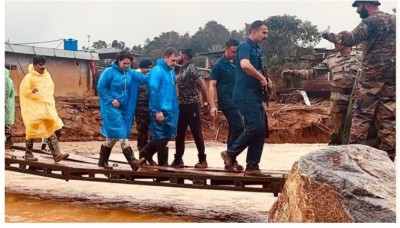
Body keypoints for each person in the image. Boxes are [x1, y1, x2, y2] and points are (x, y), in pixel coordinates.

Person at [321, 0, 396, 161]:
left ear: (366, 4)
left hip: (371, 77)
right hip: (392, 77)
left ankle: (356, 160)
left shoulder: (371, 21)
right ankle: (388, 161)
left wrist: (326, 34)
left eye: (358, 6)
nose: (357, 10)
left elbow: (347, 39)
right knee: (388, 120)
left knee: (361, 116)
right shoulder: (395, 20)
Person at [281, 41, 362, 145]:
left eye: (338, 42)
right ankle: (334, 154)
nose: (335, 44)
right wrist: (294, 72)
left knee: (357, 128)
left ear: (347, 41)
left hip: (356, 97)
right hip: (338, 98)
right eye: (334, 42)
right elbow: (312, 73)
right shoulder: (330, 59)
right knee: (336, 130)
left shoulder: (361, 57)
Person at [220, 20, 269, 176]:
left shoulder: (257, 49)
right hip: (244, 94)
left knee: (260, 130)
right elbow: (245, 65)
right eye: (264, 32)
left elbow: (258, 68)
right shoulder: (244, 46)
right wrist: (261, 77)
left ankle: (253, 166)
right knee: (255, 126)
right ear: (253, 32)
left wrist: (266, 79)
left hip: (255, 95)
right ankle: (231, 153)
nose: (266, 36)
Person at [96, 50, 147, 171]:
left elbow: (143, 78)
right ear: (118, 61)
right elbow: (100, 87)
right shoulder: (109, 72)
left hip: (124, 108)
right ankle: (133, 162)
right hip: (110, 107)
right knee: (121, 132)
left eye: (129, 64)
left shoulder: (129, 72)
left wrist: (154, 73)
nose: (127, 66)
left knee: (113, 137)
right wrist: (111, 99)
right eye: (124, 63)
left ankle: (102, 161)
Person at [19, 56, 69, 162]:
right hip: (33, 108)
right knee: (31, 129)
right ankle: (28, 154)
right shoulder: (29, 78)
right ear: (34, 65)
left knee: (50, 128)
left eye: (44, 64)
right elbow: (24, 93)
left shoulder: (47, 76)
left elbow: (49, 90)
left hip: (46, 108)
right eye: (40, 65)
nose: (43, 67)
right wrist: (31, 92)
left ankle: (57, 154)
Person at [170, 48, 210, 168]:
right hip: (182, 105)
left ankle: (202, 159)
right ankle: (178, 159)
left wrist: (206, 103)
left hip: (192, 105)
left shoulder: (192, 69)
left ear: (184, 55)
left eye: (180, 54)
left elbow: (202, 85)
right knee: (180, 133)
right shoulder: (181, 69)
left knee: (196, 132)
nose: (178, 57)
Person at [139, 47, 179, 167]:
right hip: (160, 109)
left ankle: (146, 152)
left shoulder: (171, 71)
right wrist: (157, 110)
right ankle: (163, 164)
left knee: (166, 136)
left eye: (176, 61)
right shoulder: (157, 71)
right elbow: (154, 90)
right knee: (161, 137)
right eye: (173, 60)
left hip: (170, 108)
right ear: (166, 57)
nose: (174, 63)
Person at [209, 39, 244, 170]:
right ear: (226, 49)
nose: (235, 54)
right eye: (233, 52)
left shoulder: (238, 63)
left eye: (237, 52)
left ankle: (230, 160)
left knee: (235, 129)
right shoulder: (218, 65)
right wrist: (213, 105)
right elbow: (212, 85)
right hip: (227, 101)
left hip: (239, 100)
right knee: (239, 126)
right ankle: (230, 155)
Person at [134, 59, 153, 154]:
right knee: (142, 132)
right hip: (140, 109)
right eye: (146, 68)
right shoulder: (136, 77)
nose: (148, 70)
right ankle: (142, 154)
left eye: (150, 68)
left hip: (150, 108)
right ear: (141, 68)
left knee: (151, 132)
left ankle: (147, 154)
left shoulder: (150, 77)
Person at [5, 68, 15, 149]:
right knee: (6, 124)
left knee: (5, 124)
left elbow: (5, 92)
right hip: (8, 104)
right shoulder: (8, 79)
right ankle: (8, 142)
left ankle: (8, 142)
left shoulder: (5, 79)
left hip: (5, 105)